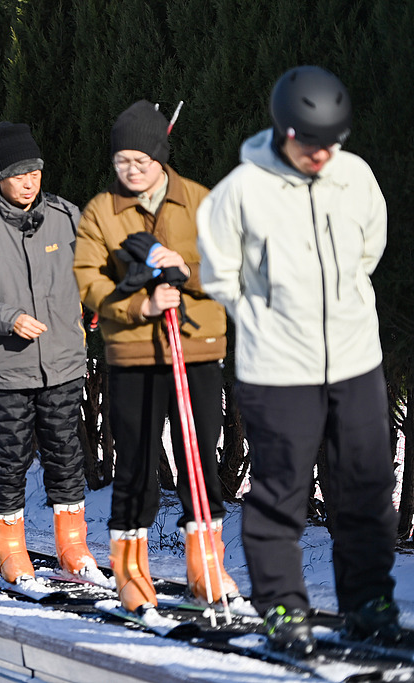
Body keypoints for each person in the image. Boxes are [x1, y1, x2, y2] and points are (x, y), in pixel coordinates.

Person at [197, 65, 399, 654]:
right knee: (281, 492)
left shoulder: (355, 176)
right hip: (278, 368)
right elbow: (221, 275)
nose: (322, 154)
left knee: (365, 487)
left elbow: (371, 247)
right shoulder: (241, 191)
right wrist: (268, 318)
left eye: (332, 142)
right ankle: (284, 607)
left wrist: (340, 309)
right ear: (284, 130)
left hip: (356, 357)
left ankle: (368, 603)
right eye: (311, 143)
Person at [73, 100, 238, 613]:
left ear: (160, 154)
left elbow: (231, 266)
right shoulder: (102, 210)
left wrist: (184, 271)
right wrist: (139, 302)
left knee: (198, 461)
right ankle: (130, 573)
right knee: (137, 464)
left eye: (140, 162)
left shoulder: (203, 202)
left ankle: (206, 566)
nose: (131, 172)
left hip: (197, 351)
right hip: (134, 353)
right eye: (121, 162)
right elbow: (86, 278)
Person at [0, 121, 99, 587]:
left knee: (66, 454)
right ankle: (10, 549)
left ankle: (73, 547)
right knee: (10, 458)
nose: (29, 181)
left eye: (34, 170)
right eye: (18, 173)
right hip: (4, 368)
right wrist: (8, 318)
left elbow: (92, 270)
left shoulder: (67, 216)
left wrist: (93, 303)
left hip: (63, 361)